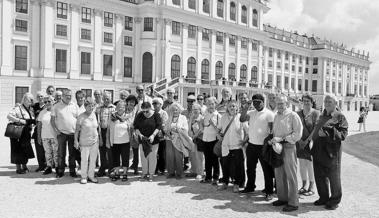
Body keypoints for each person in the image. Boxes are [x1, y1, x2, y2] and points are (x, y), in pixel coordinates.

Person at [311, 94, 348, 210]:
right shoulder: (321, 116)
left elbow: (343, 134)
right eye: (326, 101)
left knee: (334, 176)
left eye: (329, 102)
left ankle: (334, 200)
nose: (327, 103)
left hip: (332, 151)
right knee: (319, 175)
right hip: (318, 149)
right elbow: (315, 131)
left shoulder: (340, 116)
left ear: (335, 104)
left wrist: (327, 134)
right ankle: (323, 197)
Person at [240, 94, 275, 201]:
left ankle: (269, 191)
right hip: (251, 145)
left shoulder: (269, 114)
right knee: (250, 168)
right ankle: (250, 187)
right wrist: (246, 107)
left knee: (267, 170)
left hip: (263, 147)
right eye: (254, 102)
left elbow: (272, 130)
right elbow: (242, 119)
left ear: (263, 102)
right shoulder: (251, 113)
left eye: (258, 102)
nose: (256, 104)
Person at [271, 95, 303, 212]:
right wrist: (274, 139)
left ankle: (294, 202)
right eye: (278, 103)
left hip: (289, 147)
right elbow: (275, 131)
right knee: (279, 174)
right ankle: (283, 198)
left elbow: (298, 134)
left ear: (287, 104)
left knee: (291, 175)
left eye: (281, 103)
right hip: (277, 147)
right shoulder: (276, 116)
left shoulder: (293, 115)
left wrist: (282, 138)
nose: (279, 105)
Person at [217, 100, 246, 193]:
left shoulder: (241, 118)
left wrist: (244, 141)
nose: (232, 108)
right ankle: (225, 182)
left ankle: (237, 184)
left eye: (234, 106)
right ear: (227, 108)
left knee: (238, 166)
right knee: (225, 165)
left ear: (237, 107)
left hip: (237, 146)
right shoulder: (223, 117)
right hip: (226, 145)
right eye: (230, 106)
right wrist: (219, 136)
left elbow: (248, 131)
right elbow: (219, 129)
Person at [51, 89, 80, 178]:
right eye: (67, 95)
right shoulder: (56, 106)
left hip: (72, 133)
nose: (69, 97)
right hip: (61, 134)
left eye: (70, 95)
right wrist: (57, 131)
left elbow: (78, 119)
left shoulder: (74, 106)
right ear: (62, 96)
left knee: (72, 154)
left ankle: (72, 171)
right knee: (61, 153)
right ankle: (60, 171)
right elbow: (52, 121)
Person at [296, 94, 320, 197]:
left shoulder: (316, 113)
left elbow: (316, 128)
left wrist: (307, 140)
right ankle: (304, 185)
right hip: (300, 142)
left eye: (308, 101)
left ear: (312, 102)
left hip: (310, 143)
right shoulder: (298, 113)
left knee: (310, 165)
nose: (306, 102)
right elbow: (296, 127)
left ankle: (311, 186)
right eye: (304, 101)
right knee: (302, 164)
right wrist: (300, 140)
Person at [7, 93, 36, 174]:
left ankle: (24, 166)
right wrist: (19, 120)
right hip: (17, 132)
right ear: (24, 99)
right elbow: (9, 116)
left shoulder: (31, 109)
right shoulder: (18, 108)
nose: (29, 101)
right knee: (17, 149)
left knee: (25, 148)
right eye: (27, 99)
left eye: (31, 99)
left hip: (26, 132)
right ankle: (18, 168)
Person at [133, 102, 162, 182]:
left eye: (147, 111)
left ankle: (151, 174)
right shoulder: (139, 115)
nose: (145, 113)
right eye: (143, 111)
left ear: (150, 108)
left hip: (153, 139)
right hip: (143, 139)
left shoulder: (156, 115)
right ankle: (144, 173)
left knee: (152, 157)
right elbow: (136, 127)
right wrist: (140, 135)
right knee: (143, 157)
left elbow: (159, 126)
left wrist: (153, 135)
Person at [106, 101, 133, 182]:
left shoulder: (128, 117)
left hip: (125, 141)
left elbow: (131, 129)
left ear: (125, 108)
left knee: (125, 158)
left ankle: (124, 173)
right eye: (119, 107)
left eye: (122, 107)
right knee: (116, 158)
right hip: (115, 142)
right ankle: (117, 173)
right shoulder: (112, 117)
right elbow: (108, 129)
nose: (121, 108)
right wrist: (107, 141)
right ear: (116, 108)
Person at [74, 98, 99, 184]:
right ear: (85, 106)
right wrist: (75, 141)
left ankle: (91, 176)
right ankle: (84, 176)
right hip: (84, 142)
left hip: (94, 142)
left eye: (92, 106)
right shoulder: (81, 116)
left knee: (93, 160)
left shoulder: (95, 115)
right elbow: (77, 131)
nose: (91, 108)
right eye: (89, 106)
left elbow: (97, 128)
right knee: (84, 160)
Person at [165, 102, 192, 179]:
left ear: (179, 110)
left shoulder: (183, 118)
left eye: (176, 110)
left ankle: (179, 173)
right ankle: (171, 172)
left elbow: (186, 129)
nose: (175, 111)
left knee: (178, 156)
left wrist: (177, 130)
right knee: (170, 156)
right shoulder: (169, 117)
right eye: (173, 110)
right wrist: (169, 132)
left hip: (179, 139)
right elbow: (166, 128)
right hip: (169, 139)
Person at [201, 97, 222, 185]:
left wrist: (213, 125)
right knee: (207, 159)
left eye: (212, 104)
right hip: (205, 139)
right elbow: (203, 126)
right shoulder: (204, 114)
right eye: (209, 104)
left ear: (215, 105)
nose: (211, 106)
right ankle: (208, 177)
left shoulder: (218, 116)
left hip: (214, 140)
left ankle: (216, 178)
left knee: (214, 160)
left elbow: (220, 130)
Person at [96, 91, 116, 177]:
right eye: (104, 98)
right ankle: (103, 167)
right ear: (102, 99)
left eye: (108, 98)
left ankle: (111, 169)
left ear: (111, 98)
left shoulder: (114, 108)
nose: (106, 100)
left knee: (110, 151)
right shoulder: (99, 108)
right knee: (102, 150)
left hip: (110, 132)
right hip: (101, 131)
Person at [36, 95, 57, 175]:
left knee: (56, 153)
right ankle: (49, 167)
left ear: (53, 101)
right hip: (45, 136)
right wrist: (38, 137)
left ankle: (57, 167)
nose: (47, 103)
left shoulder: (56, 111)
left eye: (49, 101)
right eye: (45, 102)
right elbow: (39, 125)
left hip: (55, 135)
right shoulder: (42, 112)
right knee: (47, 153)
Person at [188, 103, 205, 180]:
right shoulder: (191, 118)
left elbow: (202, 129)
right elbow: (189, 128)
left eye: (196, 109)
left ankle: (200, 173)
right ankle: (194, 170)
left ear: (199, 110)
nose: (195, 111)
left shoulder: (201, 118)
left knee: (200, 157)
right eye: (193, 109)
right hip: (193, 139)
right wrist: (191, 134)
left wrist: (195, 135)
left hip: (200, 139)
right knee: (193, 156)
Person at [152, 97, 169, 175]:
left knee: (161, 153)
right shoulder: (152, 112)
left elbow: (164, 124)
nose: (154, 105)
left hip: (161, 136)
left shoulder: (164, 113)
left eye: (156, 103)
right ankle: (154, 168)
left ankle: (161, 169)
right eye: (153, 103)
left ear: (161, 104)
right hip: (154, 136)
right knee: (154, 153)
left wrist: (158, 128)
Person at [33, 91, 47, 172]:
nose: (40, 97)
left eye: (41, 96)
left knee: (46, 149)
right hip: (37, 130)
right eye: (38, 96)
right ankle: (41, 165)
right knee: (39, 149)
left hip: (45, 130)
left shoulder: (47, 105)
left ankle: (47, 165)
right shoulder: (34, 106)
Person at [182, 95, 196, 172]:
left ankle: (194, 167)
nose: (191, 103)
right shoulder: (183, 112)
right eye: (189, 101)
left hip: (194, 134)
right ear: (187, 102)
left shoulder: (197, 111)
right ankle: (186, 165)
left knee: (194, 151)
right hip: (186, 134)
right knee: (185, 151)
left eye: (193, 101)